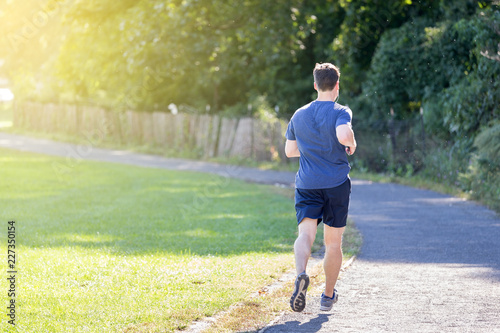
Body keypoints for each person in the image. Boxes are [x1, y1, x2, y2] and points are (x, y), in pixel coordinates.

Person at [285, 62, 356, 312]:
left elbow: (290, 150)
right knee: (333, 244)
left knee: (305, 235)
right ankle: (327, 296)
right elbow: (343, 136)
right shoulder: (340, 110)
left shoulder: (299, 114)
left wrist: (311, 147)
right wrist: (352, 143)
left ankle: (301, 274)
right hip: (335, 184)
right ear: (336, 86)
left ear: (315, 85)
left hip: (307, 184)